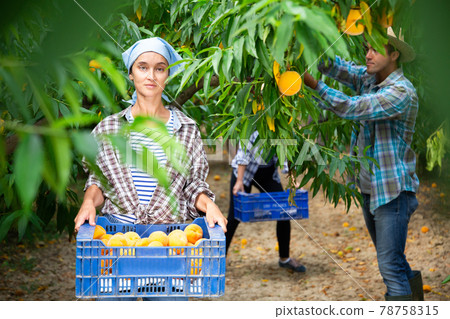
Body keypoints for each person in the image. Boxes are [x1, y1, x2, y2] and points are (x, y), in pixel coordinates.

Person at [303, 28, 422, 301]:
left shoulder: (401, 93)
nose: (367, 55)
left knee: (390, 267)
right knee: (395, 260)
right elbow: (337, 67)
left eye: (375, 50)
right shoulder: (370, 79)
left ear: (394, 54)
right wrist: (301, 41)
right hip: (370, 189)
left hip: (392, 193)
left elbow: (350, 107)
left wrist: (311, 83)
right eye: (366, 48)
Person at [74, 37, 227, 233]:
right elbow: (99, 181)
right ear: (131, 74)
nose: (151, 76)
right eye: (143, 67)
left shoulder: (185, 129)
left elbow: (193, 186)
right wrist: (88, 203)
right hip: (117, 237)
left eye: (160, 69)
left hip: (169, 239)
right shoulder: (110, 128)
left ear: (168, 74)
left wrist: (210, 206)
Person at [226, 131, 306, 272]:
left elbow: (287, 153)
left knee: (283, 211)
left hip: (267, 173)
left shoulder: (281, 125)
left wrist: (293, 181)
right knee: (234, 217)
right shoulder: (255, 124)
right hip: (245, 172)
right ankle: (217, 260)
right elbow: (243, 154)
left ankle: (284, 258)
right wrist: (239, 181)